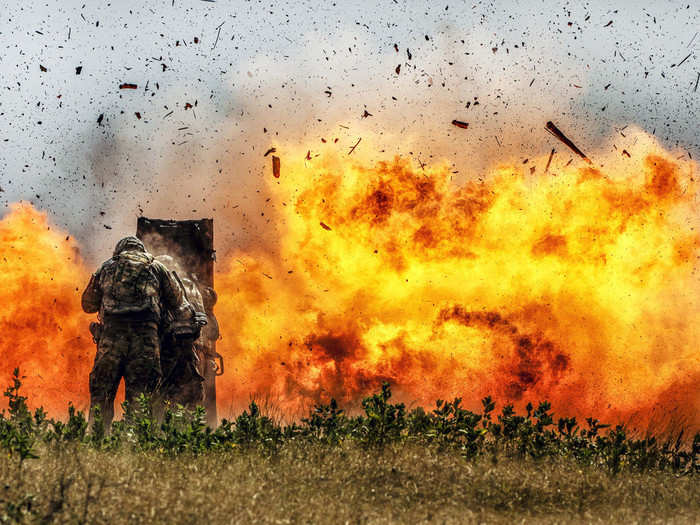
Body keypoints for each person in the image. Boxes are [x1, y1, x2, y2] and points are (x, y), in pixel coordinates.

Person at [81, 236, 183, 429]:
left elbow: (87, 304)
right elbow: (176, 300)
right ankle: (135, 445)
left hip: (111, 338)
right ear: (142, 250)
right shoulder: (157, 266)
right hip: (145, 339)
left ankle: (97, 441)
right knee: (141, 397)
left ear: (118, 251)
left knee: (102, 393)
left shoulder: (106, 267)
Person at [155, 255, 207, 409]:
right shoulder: (190, 286)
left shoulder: (164, 287)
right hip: (191, 349)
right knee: (190, 396)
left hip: (168, 348)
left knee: (160, 394)